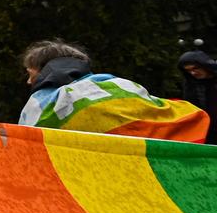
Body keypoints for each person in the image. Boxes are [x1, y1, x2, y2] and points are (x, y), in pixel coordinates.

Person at [18, 39, 208, 142]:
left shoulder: (40, 104)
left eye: (30, 73)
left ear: (45, 69)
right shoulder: (117, 84)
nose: (28, 81)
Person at [179, 49, 216, 114]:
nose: (193, 73)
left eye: (195, 68)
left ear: (205, 66)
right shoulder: (191, 84)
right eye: (188, 70)